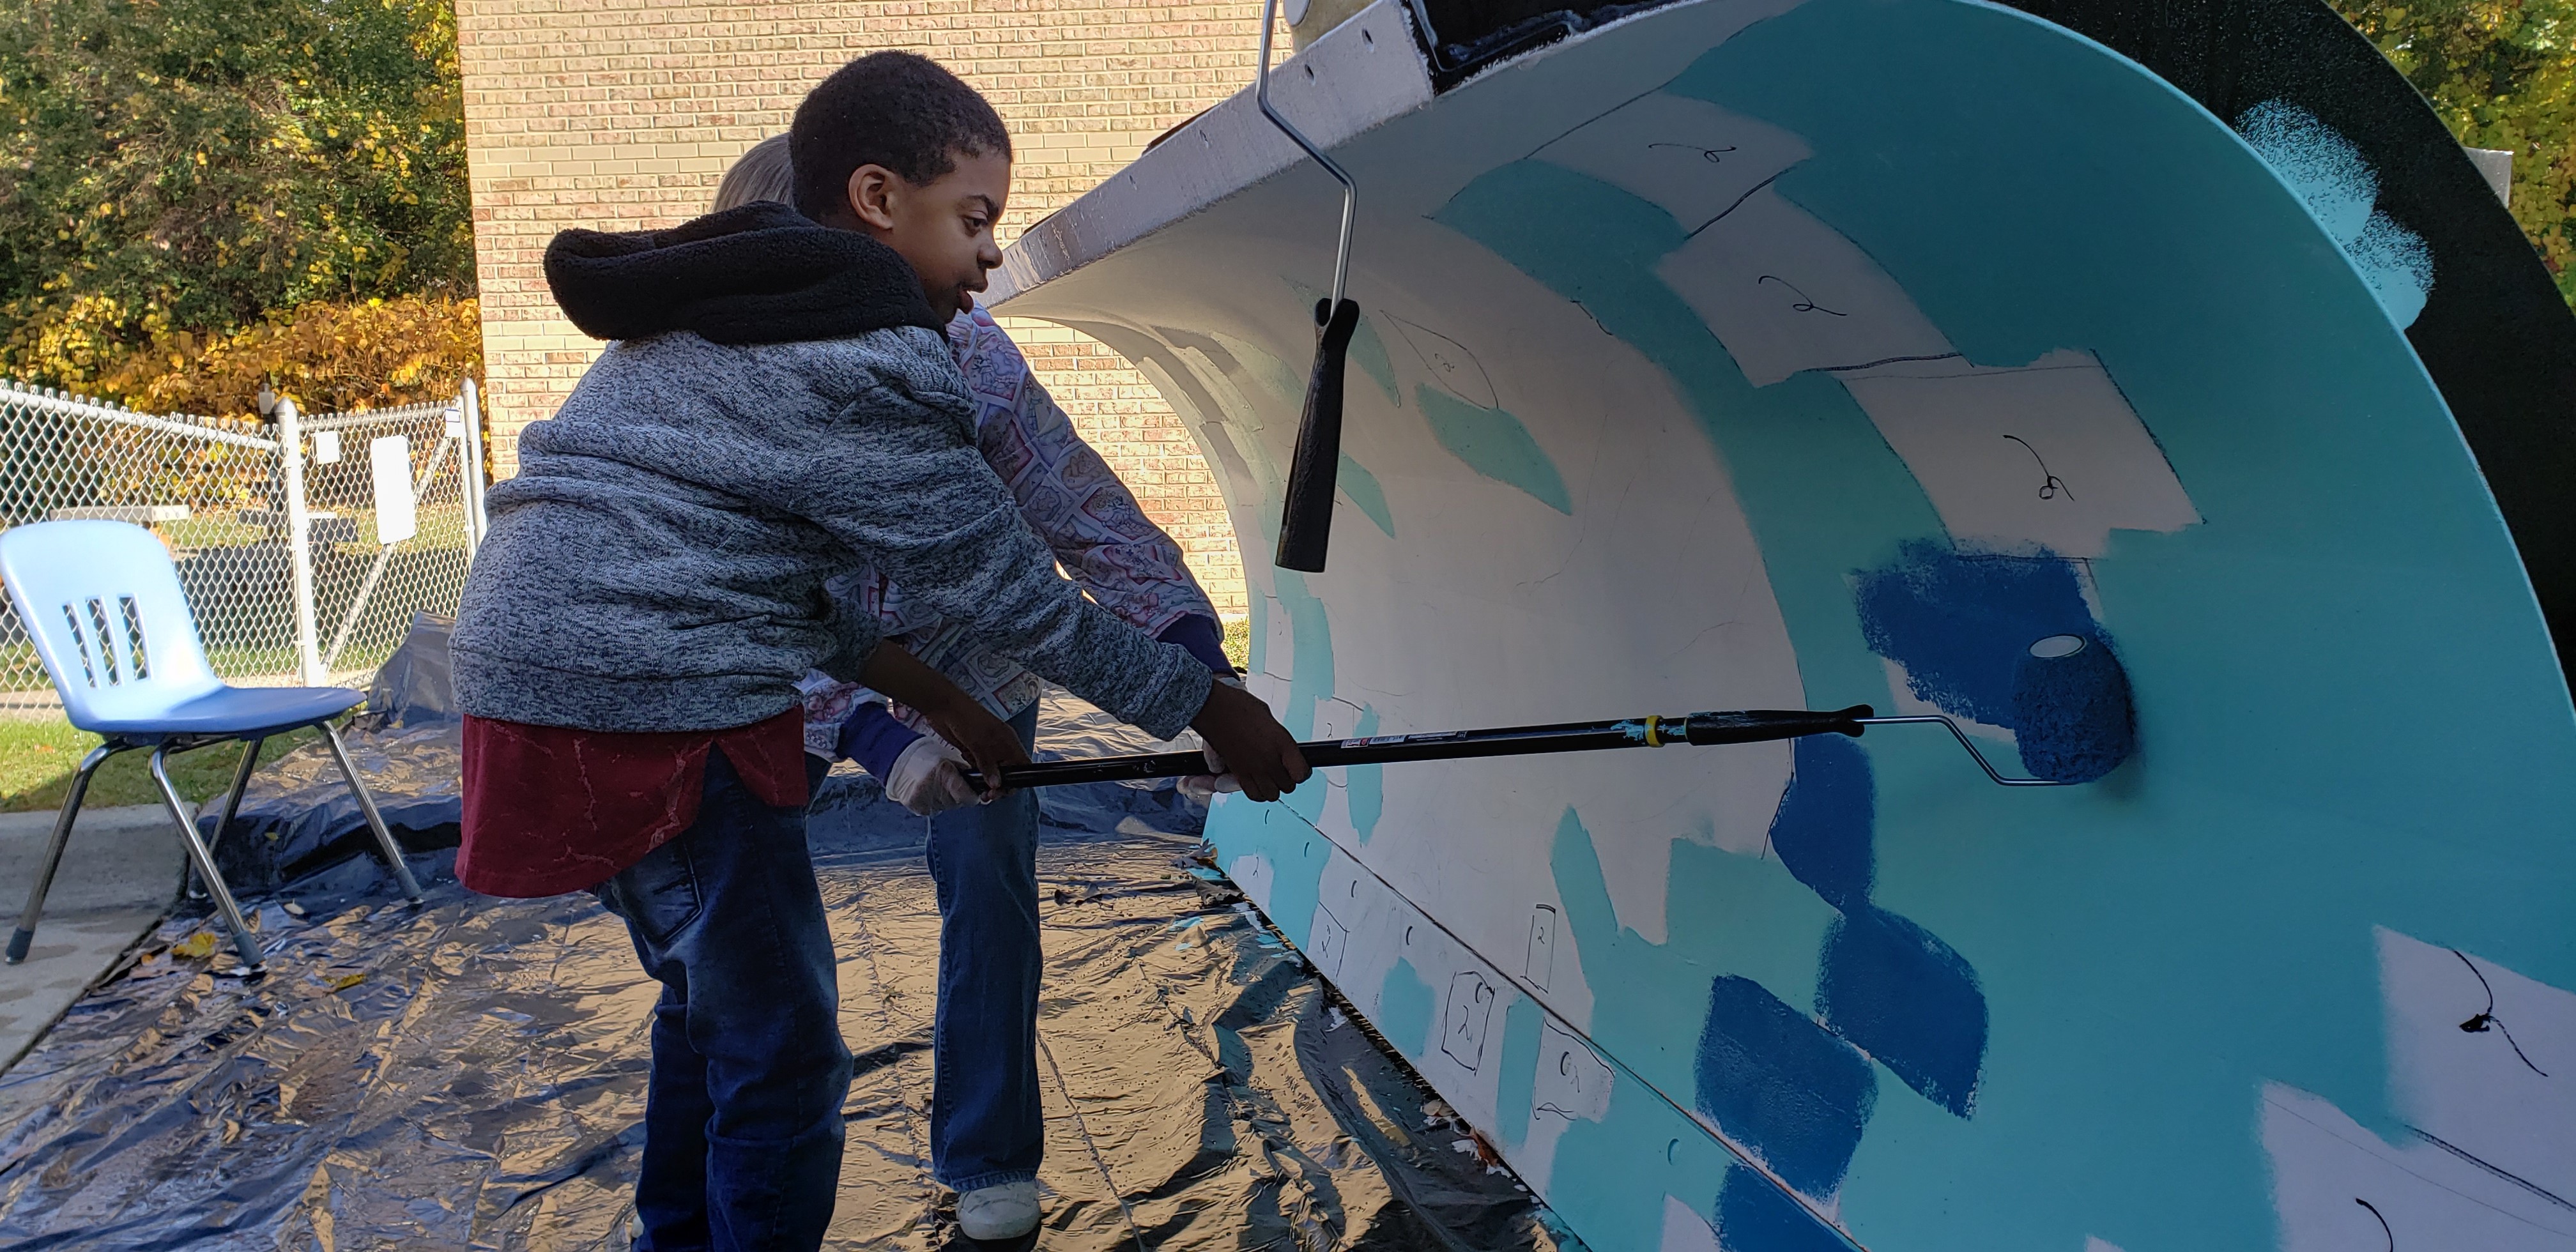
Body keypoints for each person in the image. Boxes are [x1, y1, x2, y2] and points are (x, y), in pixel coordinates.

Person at [449, 50, 1310, 1252]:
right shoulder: (861, 352)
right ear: (869, 205)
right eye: (976, 221)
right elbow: (1021, 598)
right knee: (785, 1060)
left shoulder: (718, 341)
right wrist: (1208, 711)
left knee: (727, 1006)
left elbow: (1062, 524)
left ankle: (943, 1170)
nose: (995, 257)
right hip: (674, 699)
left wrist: (948, 698)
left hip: (564, 681)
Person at [712, 133, 1240, 1241]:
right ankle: (721, 1182)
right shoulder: (722, 385)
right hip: (776, 674)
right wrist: (865, 729)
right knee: (741, 928)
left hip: (975, 660)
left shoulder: (972, 355)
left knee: (991, 885)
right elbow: (737, 605)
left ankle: (991, 1155)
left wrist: (1203, 681)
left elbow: (1087, 519)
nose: (988, 260)